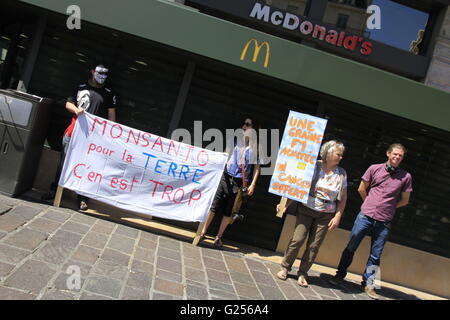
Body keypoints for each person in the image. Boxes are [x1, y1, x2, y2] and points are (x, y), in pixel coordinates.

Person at [328, 143, 412, 300]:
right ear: (388, 153)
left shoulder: (406, 177)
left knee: (376, 255)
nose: (397, 157)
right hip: (365, 216)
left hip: (384, 221)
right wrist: (369, 203)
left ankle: (369, 284)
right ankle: (339, 275)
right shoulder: (374, 168)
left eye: (400, 155)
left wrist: (391, 208)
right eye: (395, 154)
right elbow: (361, 188)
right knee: (351, 246)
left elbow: (405, 200)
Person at [275, 140, 348, 287]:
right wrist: (285, 205)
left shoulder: (341, 173)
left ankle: (302, 273)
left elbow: (343, 197)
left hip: (326, 214)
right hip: (306, 209)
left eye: (342, 155)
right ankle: (285, 267)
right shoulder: (313, 166)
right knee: (297, 239)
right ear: (328, 153)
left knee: (314, 246)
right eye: (338, 154)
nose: (341, 157)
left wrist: (338, 216)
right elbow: (296, 185)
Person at [55, 63, 117, 211]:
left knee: (88, 167)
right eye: (100, 73)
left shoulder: (109, 93)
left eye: (105, 74)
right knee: (64, 163)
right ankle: (55, 192)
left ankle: (83, 200)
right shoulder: (80, 87)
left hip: (94, 139)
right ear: (92, 72)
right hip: (74, 132)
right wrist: (77, 110)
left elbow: (111, 117)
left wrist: (111, 136)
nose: (102, 76)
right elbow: (68, 104)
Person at [199, 118, 261, 248]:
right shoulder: (234, 142)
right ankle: (203, 232)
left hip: (239, 182)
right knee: (214, 205)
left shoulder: (256, 149)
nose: (244, 126)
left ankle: (218, 237)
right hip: (226, 177)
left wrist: (253, 184)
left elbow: (256, 168)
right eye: (243, 124)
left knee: (229, 211)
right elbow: (224, 157)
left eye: (248, 125)